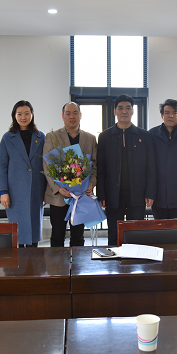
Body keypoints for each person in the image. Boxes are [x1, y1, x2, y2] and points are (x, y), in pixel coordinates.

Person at [97, 94, 156, 246]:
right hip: (112, 194)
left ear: (133, 111)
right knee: (113, 234)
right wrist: (101, 194)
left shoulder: (145, 136)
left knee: (135, 234)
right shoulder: (105, 137)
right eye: (120, 108)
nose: (124, 111)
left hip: (138, 194)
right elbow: (101, 168)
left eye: (128, 108)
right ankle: (114, 259)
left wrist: (150, 193)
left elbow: (151, 167)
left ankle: (133, 260)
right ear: (114, 111)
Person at [43, 102, 97, 247]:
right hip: (59, 196)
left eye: (75, 113)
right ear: (63, 116)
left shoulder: (90, 138)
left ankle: (78, 262)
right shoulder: (52, 136)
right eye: (68, 113)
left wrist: (91, 183)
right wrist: (58, 188)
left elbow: (95, 164)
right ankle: (58, 262)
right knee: (57, 236)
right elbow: (47, 166)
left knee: (78, 237)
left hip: (81, 196)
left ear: (80, 115)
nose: (72, 116)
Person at [0, 100, 46, 247]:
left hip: (36, 190)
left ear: (32, 115)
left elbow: (47, 164)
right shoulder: (7, 138)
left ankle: (33, 260)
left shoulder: (41, 137)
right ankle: (19, 261)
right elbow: (2, 167)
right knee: (17, 234)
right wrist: (3, 192)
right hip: (14, 192)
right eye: (19, 114)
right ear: (14, 116)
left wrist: (47, 191)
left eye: (26, 113)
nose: (23, 117)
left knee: (34, 232)